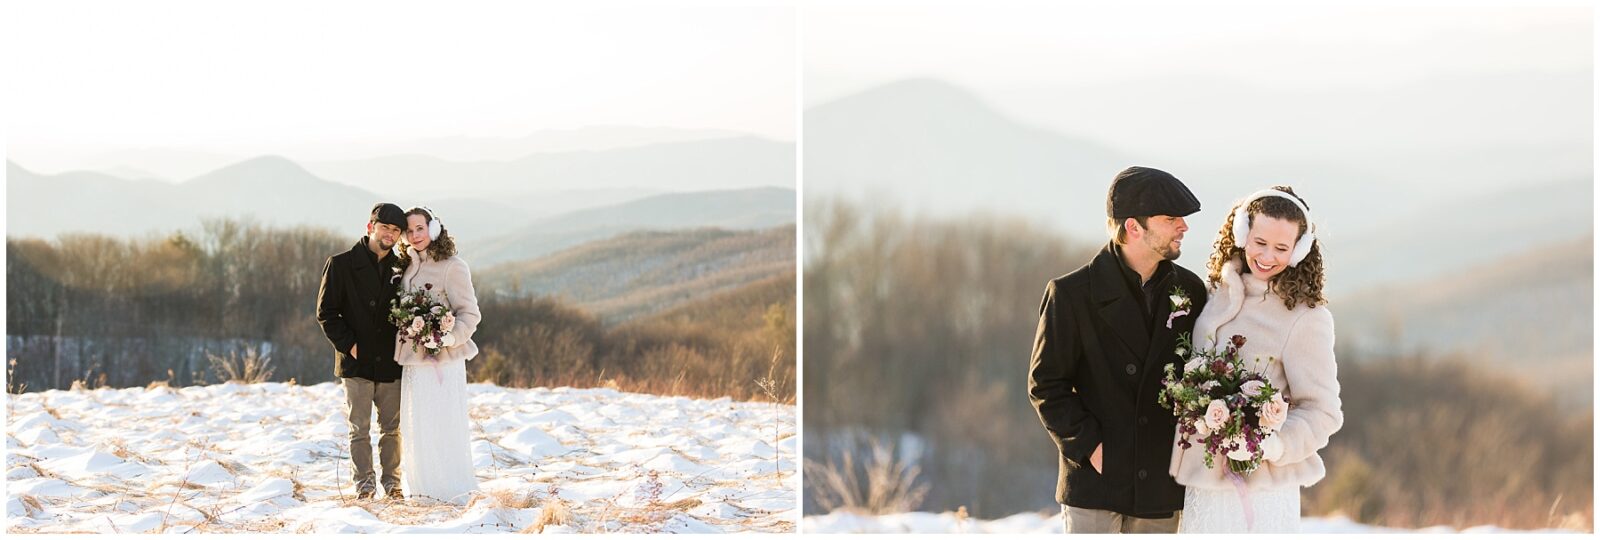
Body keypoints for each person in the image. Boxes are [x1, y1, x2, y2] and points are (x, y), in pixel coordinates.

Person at [1029, 166, 1209, 533]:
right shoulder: (1070, 295)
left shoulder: (1191, 292)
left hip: (1161, 486)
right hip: (1096, 485)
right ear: (1133, 227)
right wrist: (1090, 446)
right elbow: (1046, 384)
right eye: (1171, 218)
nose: (1183, 227)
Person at [1169, 186, 1343, 533]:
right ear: (1242, 234)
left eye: (1282, 248)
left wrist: (1273, 444)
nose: (1267, 256)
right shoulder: (1217, 292)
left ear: (1299, 251)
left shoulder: (1305, 317)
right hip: (1202, 483)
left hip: (1261, 488)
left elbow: (1323, 411)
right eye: (1260, 243)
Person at [316, 203, 408, 500]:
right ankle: (365, 487)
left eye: (396, 231)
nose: (390, 235)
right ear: (371, 227)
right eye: (385, 228)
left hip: (391, 362)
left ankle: (393, 484)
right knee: (359, 429)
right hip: (356, 363)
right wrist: (350, 346)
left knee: (392, 429)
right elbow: (326, 313)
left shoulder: (402, 268)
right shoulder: (340, 264)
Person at [392, 206, 481, 503]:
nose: (415, 235)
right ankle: (422, 490)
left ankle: (450, 490)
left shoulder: (453, 265)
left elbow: (470, 313)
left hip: (444, 361)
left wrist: (448, 337)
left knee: (443, 424)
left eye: (420, 228)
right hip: (414, 362)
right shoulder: (407, 266)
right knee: (418, 425)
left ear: (433, 229)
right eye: (410, 230)